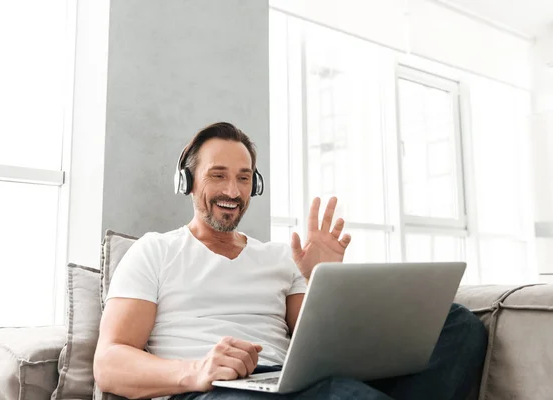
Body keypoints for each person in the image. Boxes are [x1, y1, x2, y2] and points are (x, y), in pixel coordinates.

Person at [93, 122, 487, 400]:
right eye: (218, 175)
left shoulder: (281, 257)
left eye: (244, 178)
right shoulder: (155, 251)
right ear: (188, 181)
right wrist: (196, 372)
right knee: (344, 395)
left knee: (458, 324)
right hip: (210, 391)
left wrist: (321, 280)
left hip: (292, 384)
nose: (233, 190)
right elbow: (109, 364)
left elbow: (324, 347)